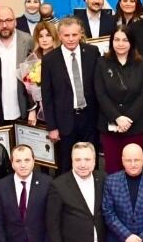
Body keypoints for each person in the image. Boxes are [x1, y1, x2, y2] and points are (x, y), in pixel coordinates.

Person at [41, 18, 101, 174]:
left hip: (90, 118)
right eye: (66, 35)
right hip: (64, 122)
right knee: (66, 165)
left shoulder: (92, 52)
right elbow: (47, 96)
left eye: (74, 34)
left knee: (91, 161)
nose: (71, 39)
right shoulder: (49, 60)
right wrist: (52, 127)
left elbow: (99, 86)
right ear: (59, 36)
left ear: (81, 34)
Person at [96, 26, 143, 172]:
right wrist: (117, 117)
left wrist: (128, 118)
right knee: (112, 168)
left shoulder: (142, 63)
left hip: (134, 125)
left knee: (133, 167)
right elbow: (100, 93)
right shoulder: (101, 63)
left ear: (131, 42)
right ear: (111, 42)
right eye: (117, 39)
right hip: (110, 125)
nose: (120, 44)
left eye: (125, 40)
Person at [0, 8, 34, 127]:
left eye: (8, 20)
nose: (4, 25)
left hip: (21, 107)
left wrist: (32, 109)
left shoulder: (27, 40)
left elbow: (33, 77)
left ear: (15, 21)